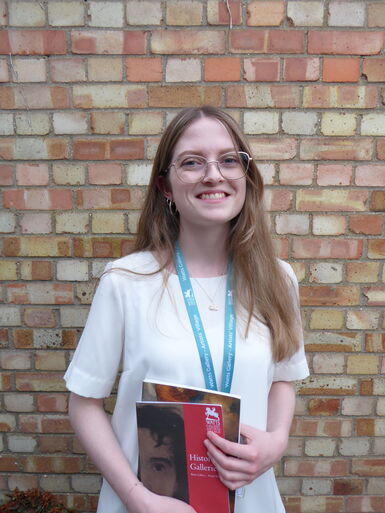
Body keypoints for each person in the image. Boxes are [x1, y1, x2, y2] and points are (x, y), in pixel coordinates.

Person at [64, 105, 309, 513]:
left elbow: (284, 378)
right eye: (192, 163)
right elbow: (83, 403)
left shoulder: (278, 279)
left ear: (246, 176)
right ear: (165, 186)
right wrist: (136, 497)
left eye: (229, 160)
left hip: (249, 498)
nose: (213, 174)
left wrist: (277, 440)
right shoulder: (126, 282)